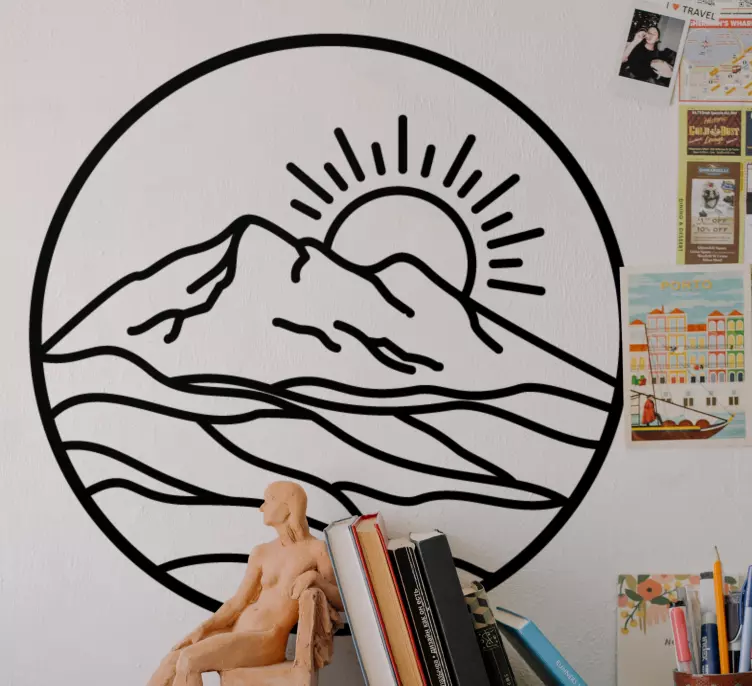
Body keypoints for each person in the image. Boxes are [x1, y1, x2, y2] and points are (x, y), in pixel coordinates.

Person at [147, 481, 344, 686]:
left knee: (189, 660)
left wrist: (315, 579)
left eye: (268, 500)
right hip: (236, 631)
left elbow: (341, 602)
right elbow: (237, 603)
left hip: (267, 638)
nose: (262, 507)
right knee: (171, 660)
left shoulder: (316, 550)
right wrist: (203, 628)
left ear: (287, 507)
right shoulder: (261, 552)